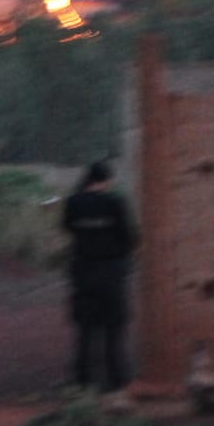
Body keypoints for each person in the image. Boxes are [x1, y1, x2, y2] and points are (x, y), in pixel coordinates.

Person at [61, 160, 136, 392]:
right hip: (111, 273)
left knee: (85, 330)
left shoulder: (73, 203)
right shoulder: (115, 203)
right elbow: (130, 238)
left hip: (83, 272)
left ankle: (83, 380)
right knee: (113, 329)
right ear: (106, 180)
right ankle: (115, 381)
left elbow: (68, 228)